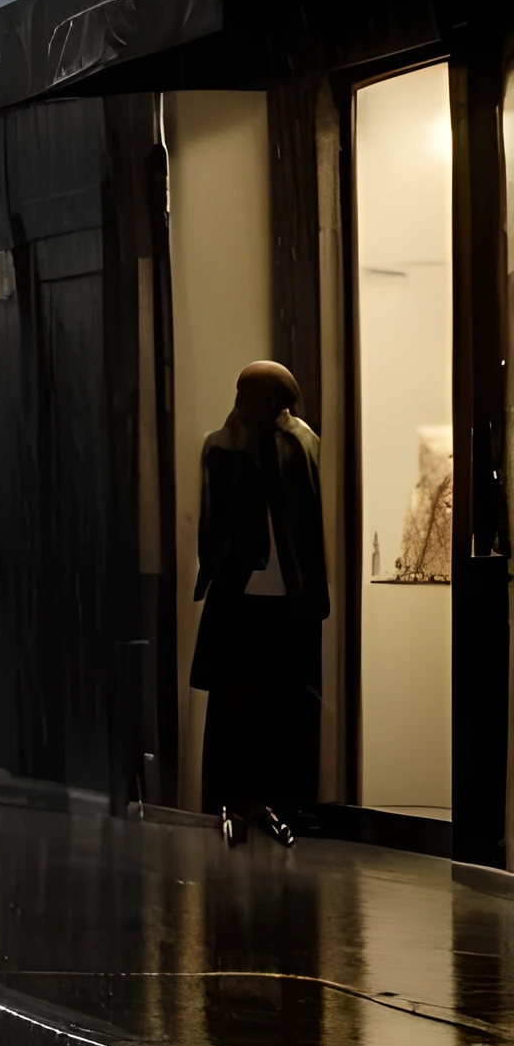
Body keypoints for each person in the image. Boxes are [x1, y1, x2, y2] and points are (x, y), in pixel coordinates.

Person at [193, 360, 327, 846]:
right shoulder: (220, 446)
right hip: (237, 593)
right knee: (233, 701)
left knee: (277, 703)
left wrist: (315, 590)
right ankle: (229, 799)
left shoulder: (300, 442)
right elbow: (212, 524)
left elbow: (311, 522)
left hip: (287, 595)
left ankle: (275, 801)